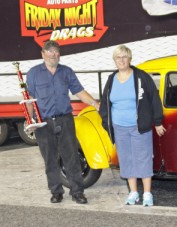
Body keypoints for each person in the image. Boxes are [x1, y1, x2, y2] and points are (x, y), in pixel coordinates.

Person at [26, 40, 100, 204]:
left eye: (56, 51)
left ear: (59, 54)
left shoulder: (67, 72)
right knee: (50, 159)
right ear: (43, 54)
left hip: (65, 120)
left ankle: (77, 192)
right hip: (43, 123)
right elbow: (29, 98)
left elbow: (79, 92)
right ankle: (56, 191)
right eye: (49, 51)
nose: (53, 54)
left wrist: (95, 103)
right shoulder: (33, 73)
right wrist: (29, 119)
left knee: (71, 157)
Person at [99, 45, 166, 207]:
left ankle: (148, 194)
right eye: (118, 57)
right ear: (114, 60)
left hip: (139, 127)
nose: (121, 60)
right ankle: (133, 192)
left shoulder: (141, 77)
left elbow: (154, 99)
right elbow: (105, 103)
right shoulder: (111, 79)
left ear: (130, 59)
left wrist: (157, 121)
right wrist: (107, 123)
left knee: (142, 159)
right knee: (127, 160)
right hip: (119, 128)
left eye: (124, 57)